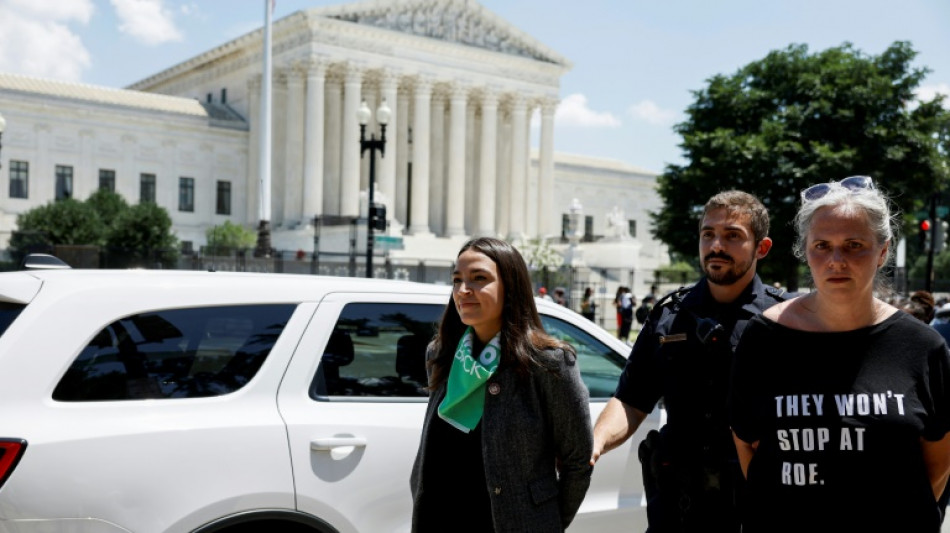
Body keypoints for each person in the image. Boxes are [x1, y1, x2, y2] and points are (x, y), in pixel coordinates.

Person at [730, 176, 950, 532]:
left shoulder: (924, 347)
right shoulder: (764, 339)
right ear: (805, 251)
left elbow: (938, 464)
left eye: (853, 245)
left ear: (882, 251)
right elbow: (748, 445)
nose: (836, 260)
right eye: (822, 245)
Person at [591, 190, 788, 532]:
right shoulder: (669, 315)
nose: (716, 246)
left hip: (754, 502)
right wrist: (593, 444)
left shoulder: (785, 319)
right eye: (708, 234)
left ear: (762, 248)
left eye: (732, 236)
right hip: (678, 505)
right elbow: (631, 400)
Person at [410, 237, 593, 532]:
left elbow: (577, 462)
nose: (463, 290)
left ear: (511, 286)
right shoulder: (441, 353)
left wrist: (545, 523)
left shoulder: (550, 364)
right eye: (457, 280)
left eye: (479, 278)